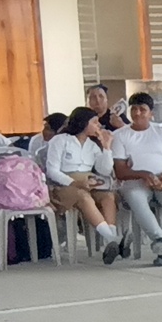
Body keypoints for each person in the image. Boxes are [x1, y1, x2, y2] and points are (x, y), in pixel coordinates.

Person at [111, 95, 162, 266]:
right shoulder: (120, 135)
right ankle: (160, 240)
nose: (137, 113)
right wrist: (144, 175)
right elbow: (120, 171)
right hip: (136, 179)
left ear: (151, 113)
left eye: (142, 109)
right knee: (133, 195)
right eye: (134, 109)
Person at [43, 106, 124, 263]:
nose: (98, 126)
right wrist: (75, 182)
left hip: (88, 182)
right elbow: (52, 171)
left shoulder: (92, 145)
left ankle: (112, 242)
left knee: (108, 196)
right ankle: (113, 240)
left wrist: (106, 147)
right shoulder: (60, 140)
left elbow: (104, 170)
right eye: (94, 122)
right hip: (64, 185)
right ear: (83, 123)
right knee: (83, 197)